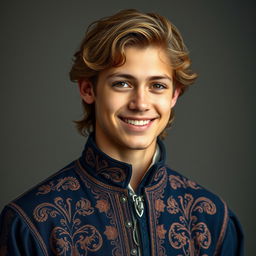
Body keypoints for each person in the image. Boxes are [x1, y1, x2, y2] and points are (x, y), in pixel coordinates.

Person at [0, 9, 243, 256]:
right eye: (122, 84)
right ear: (88, 89)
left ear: (174, 95)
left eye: (157, 85)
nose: (140, 103)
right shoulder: (31, 222)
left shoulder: (212, 219)